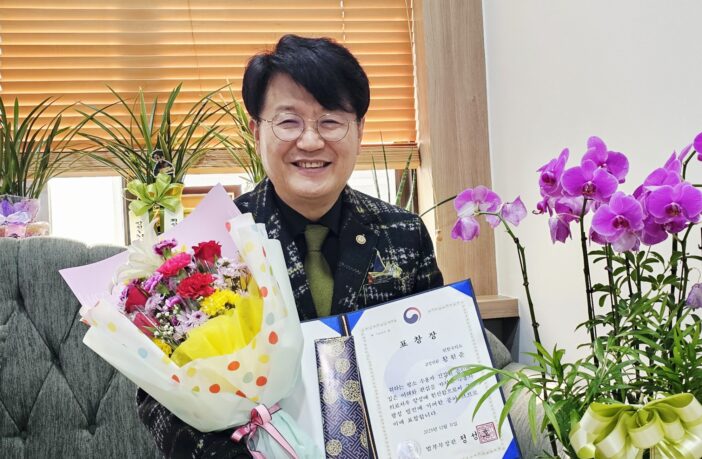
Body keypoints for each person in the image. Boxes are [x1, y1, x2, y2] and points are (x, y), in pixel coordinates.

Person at [137, 34, 443, 458]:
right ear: (256, 131)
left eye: (331, 121)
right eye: (289, 122)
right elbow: (158, 401)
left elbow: (434, 356)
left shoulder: (403, 232)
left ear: (359, 131)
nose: (311, 141)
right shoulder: (210, 247)